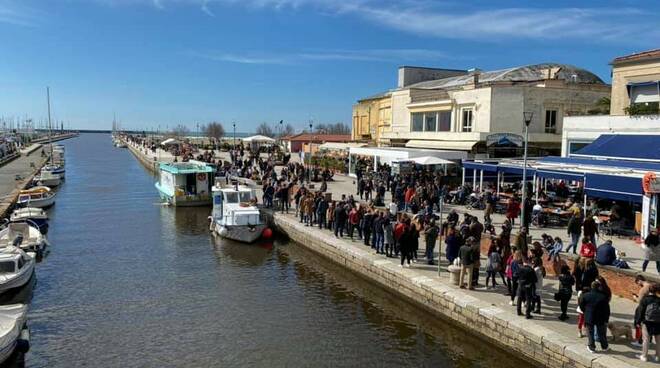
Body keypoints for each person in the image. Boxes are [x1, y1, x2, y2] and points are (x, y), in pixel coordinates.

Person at [579, 280, 610, 353]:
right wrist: (606, 319)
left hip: (589, 317)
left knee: (590, 333)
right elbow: (607, 310)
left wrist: (585, 312)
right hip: (600, 318)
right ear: (599, 287)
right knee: (601, 333)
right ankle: (605, 347)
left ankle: (591, 347)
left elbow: (581, 306)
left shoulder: (585, 295)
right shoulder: (603, 297)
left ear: (591, 287)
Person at [635, 284, 660, 362]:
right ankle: (657, 356)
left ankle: (644, 356)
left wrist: (638, 321)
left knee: (646, 340)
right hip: (658, 323)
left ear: (649, 290)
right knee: (658, 341)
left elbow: (640, 311)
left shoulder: (645, 300)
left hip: (647, 322)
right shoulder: (659, 300)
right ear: (657, 291)